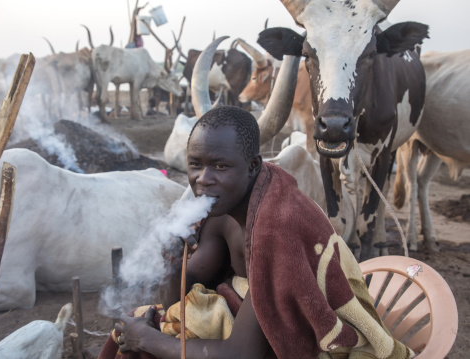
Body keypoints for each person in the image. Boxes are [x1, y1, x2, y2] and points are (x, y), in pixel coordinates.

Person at [101, 106, 415, 359]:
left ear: (253, 166)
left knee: (143, 341)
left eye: (220, 167)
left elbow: (241, 353)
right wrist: (171, 262)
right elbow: (179, 300)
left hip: (316, 334)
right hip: (250, 320)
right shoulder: (219, 208)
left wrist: (148, 339)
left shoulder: (278, 226)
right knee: (140, 321)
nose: (203, 179)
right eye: (195, 165)